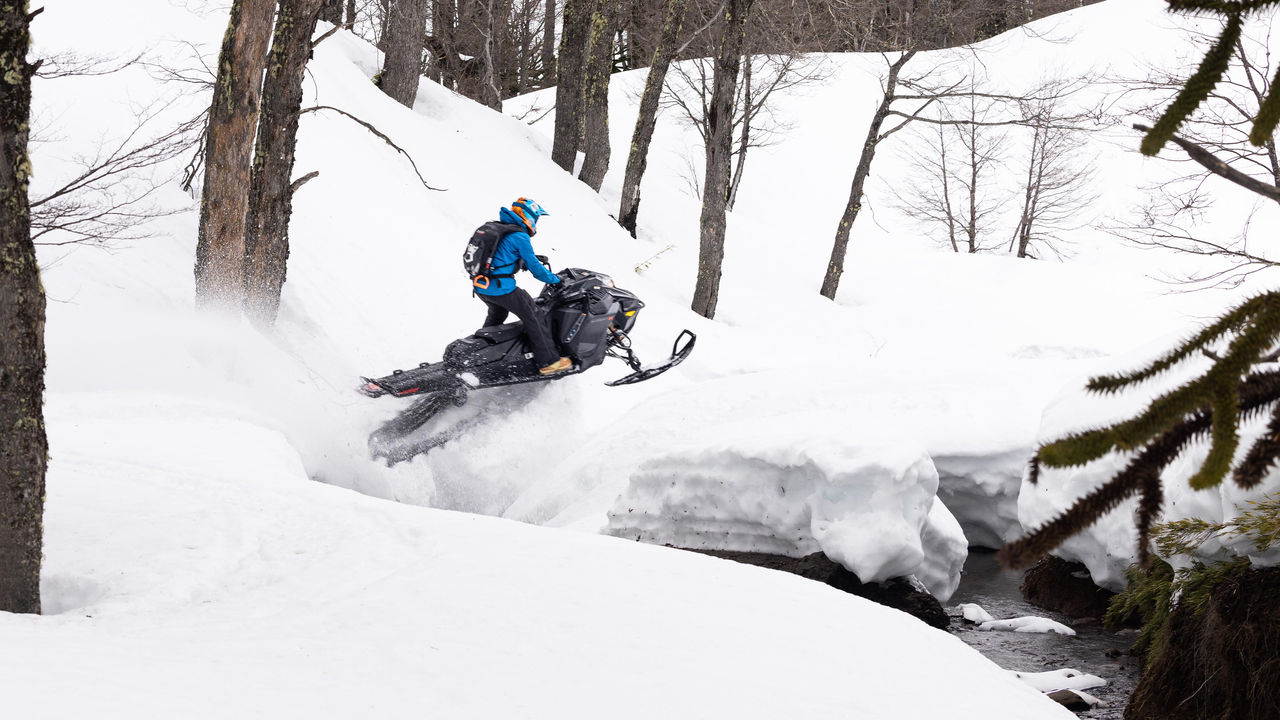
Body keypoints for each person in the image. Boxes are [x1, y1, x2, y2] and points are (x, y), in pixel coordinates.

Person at [472, 197, 572, 375]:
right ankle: (549, 362)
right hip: (501, 287)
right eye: (536, 218)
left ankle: (478, 353)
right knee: (534, 314)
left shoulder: (500, 228)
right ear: (528, 217)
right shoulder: (520, 236)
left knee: (498, 313)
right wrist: (555, 279)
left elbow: (499, 257)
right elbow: (537, 270)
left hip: (482, 287)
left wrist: (523, 262)